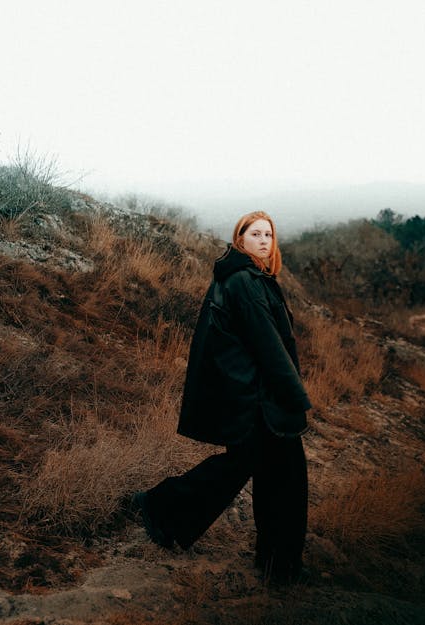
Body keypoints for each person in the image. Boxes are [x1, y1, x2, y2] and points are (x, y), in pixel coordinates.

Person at [132, 211, 311, 583]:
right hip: (258, 399)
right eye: (255, 234)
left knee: (262, 471)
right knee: (283, 476)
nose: (264, 240)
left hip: (256, 396)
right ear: (240, 239)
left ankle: (275, 562)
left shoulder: (253, 279)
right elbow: (269, 348)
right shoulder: (245, 281)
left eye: (269, 235)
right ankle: (277, 564)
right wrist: (297, 397)